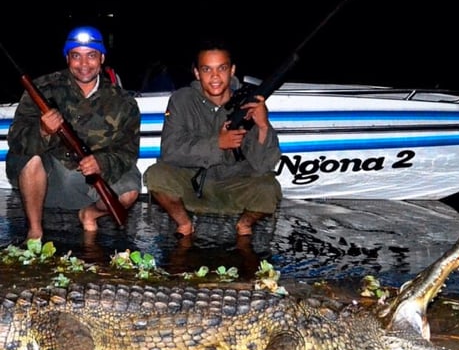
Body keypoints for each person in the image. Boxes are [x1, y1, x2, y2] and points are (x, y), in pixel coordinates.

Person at [6, 25, 141, 241]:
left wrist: (101, 162)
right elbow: (16, 140)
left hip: (89, 185)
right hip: (48, 183)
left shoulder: (124, 102)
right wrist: (43, 131)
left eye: (91, 56)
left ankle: (89, 214)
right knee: (29, 158)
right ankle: (35, 232)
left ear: (102, 58)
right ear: (67, 58)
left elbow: (128, 152)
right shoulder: (43, 88)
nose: (84, 64)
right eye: (76, 56)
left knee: (129, 192)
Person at [143, 40, 282, 238]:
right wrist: (217, 144)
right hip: (191, 182)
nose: (215, 76)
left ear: (232, 70)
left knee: (269, 189)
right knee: (156, 175)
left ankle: (244, 225)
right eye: (207, 69)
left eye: (222, 68)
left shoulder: (246, 102)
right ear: (197, 73)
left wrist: (263, 126)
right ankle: (184, 225)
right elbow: (170, 150)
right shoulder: (182, 100)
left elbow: (264, 165)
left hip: (236, 184)